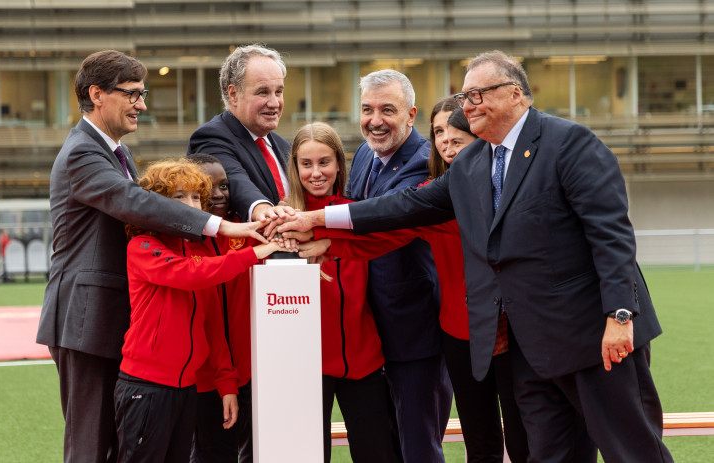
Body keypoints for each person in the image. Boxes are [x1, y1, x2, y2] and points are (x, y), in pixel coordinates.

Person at [278, 50, 673, 463]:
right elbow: (402, 209)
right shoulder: (472, 164)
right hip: (529, 350)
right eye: (464, 97)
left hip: (596, 337)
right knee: (550, 455)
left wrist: (620, 315)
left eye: (478, 94)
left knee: (633, 451)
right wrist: (320, 219)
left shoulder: (569, 144)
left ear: (517, 94)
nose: (468, 106)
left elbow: (611, 235)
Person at [36, 49, 267, 463]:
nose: (142, 104)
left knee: (119, 445)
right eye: (133, 94)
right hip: (86, 320)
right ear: (98, 94)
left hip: (109, 319)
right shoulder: (82, 153)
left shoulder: (115, 153)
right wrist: (218, 225)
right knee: (90, 447)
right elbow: (134, 203)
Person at [295, 105, 529, 462]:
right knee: (479, 438)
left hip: (516, 331)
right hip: (460, 333)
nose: (448, 146)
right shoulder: (433, 193)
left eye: (457, 138)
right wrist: (331, 242)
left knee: (524, 432)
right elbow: (390, 227)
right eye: (440, 136)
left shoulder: (510, 186)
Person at [115, 159, 287, 463]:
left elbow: (213, 326)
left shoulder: (198, 250)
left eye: (196, 196)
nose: (191, 203)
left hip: (186, 389)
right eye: (178, 197)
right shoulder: (141, 246)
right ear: (156, 205)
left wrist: (226, 384)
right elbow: (190, 274)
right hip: (146, 386)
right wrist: (257, 251)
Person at [340, 69, 452, 462]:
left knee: (419, 446)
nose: (375, 120)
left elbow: (380, 216)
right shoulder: (362, 158)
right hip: (369, 334)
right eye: (367, 109)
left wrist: (317, 226)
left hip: (414, 333)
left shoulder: (427, 163)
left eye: (388, 109)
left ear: (411, 114)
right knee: (382, 446)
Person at [284, 122, 402, 463]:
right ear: (295, 167)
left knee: (377, 453)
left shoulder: (357, 214)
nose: (317, 173)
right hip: (304, 366)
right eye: (306, 164)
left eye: (325, 162)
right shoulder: (281, 219)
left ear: (339, 164)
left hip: (363, 359)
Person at [186, 153, 255, 463]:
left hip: (250, 372)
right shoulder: (182, 243)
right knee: (212, 453)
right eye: (206, 185)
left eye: (224, 185)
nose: (217, 193)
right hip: (203, 379)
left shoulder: (248, 233)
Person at [187, 43, 293, 223]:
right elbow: (235, 179)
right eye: (263, 92)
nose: (275, 103)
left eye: (279, 92)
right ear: (234, 94)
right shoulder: (211, 137)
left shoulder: (283, 146)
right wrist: (261, 209)